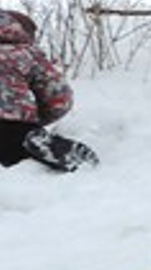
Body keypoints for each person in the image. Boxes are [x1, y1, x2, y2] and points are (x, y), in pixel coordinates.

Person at [0, 9, 99, 172]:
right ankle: (37, 140)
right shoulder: (28, 54)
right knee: (15, 149)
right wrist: (40, 120)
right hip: (14, 120)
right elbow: (59, 97)